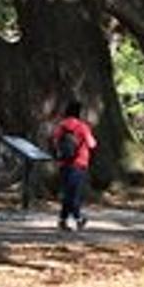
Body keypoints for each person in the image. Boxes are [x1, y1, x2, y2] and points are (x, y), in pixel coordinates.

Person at [50, 99, 96, 232]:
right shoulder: (82, 126)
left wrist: (58, 155)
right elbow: (92, 144)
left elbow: (54, 141)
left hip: (64, 163)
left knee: (68, 193)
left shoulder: (62, 126)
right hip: (79, 162)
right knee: (74, 193)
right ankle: (78, 218)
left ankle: (63, 220)